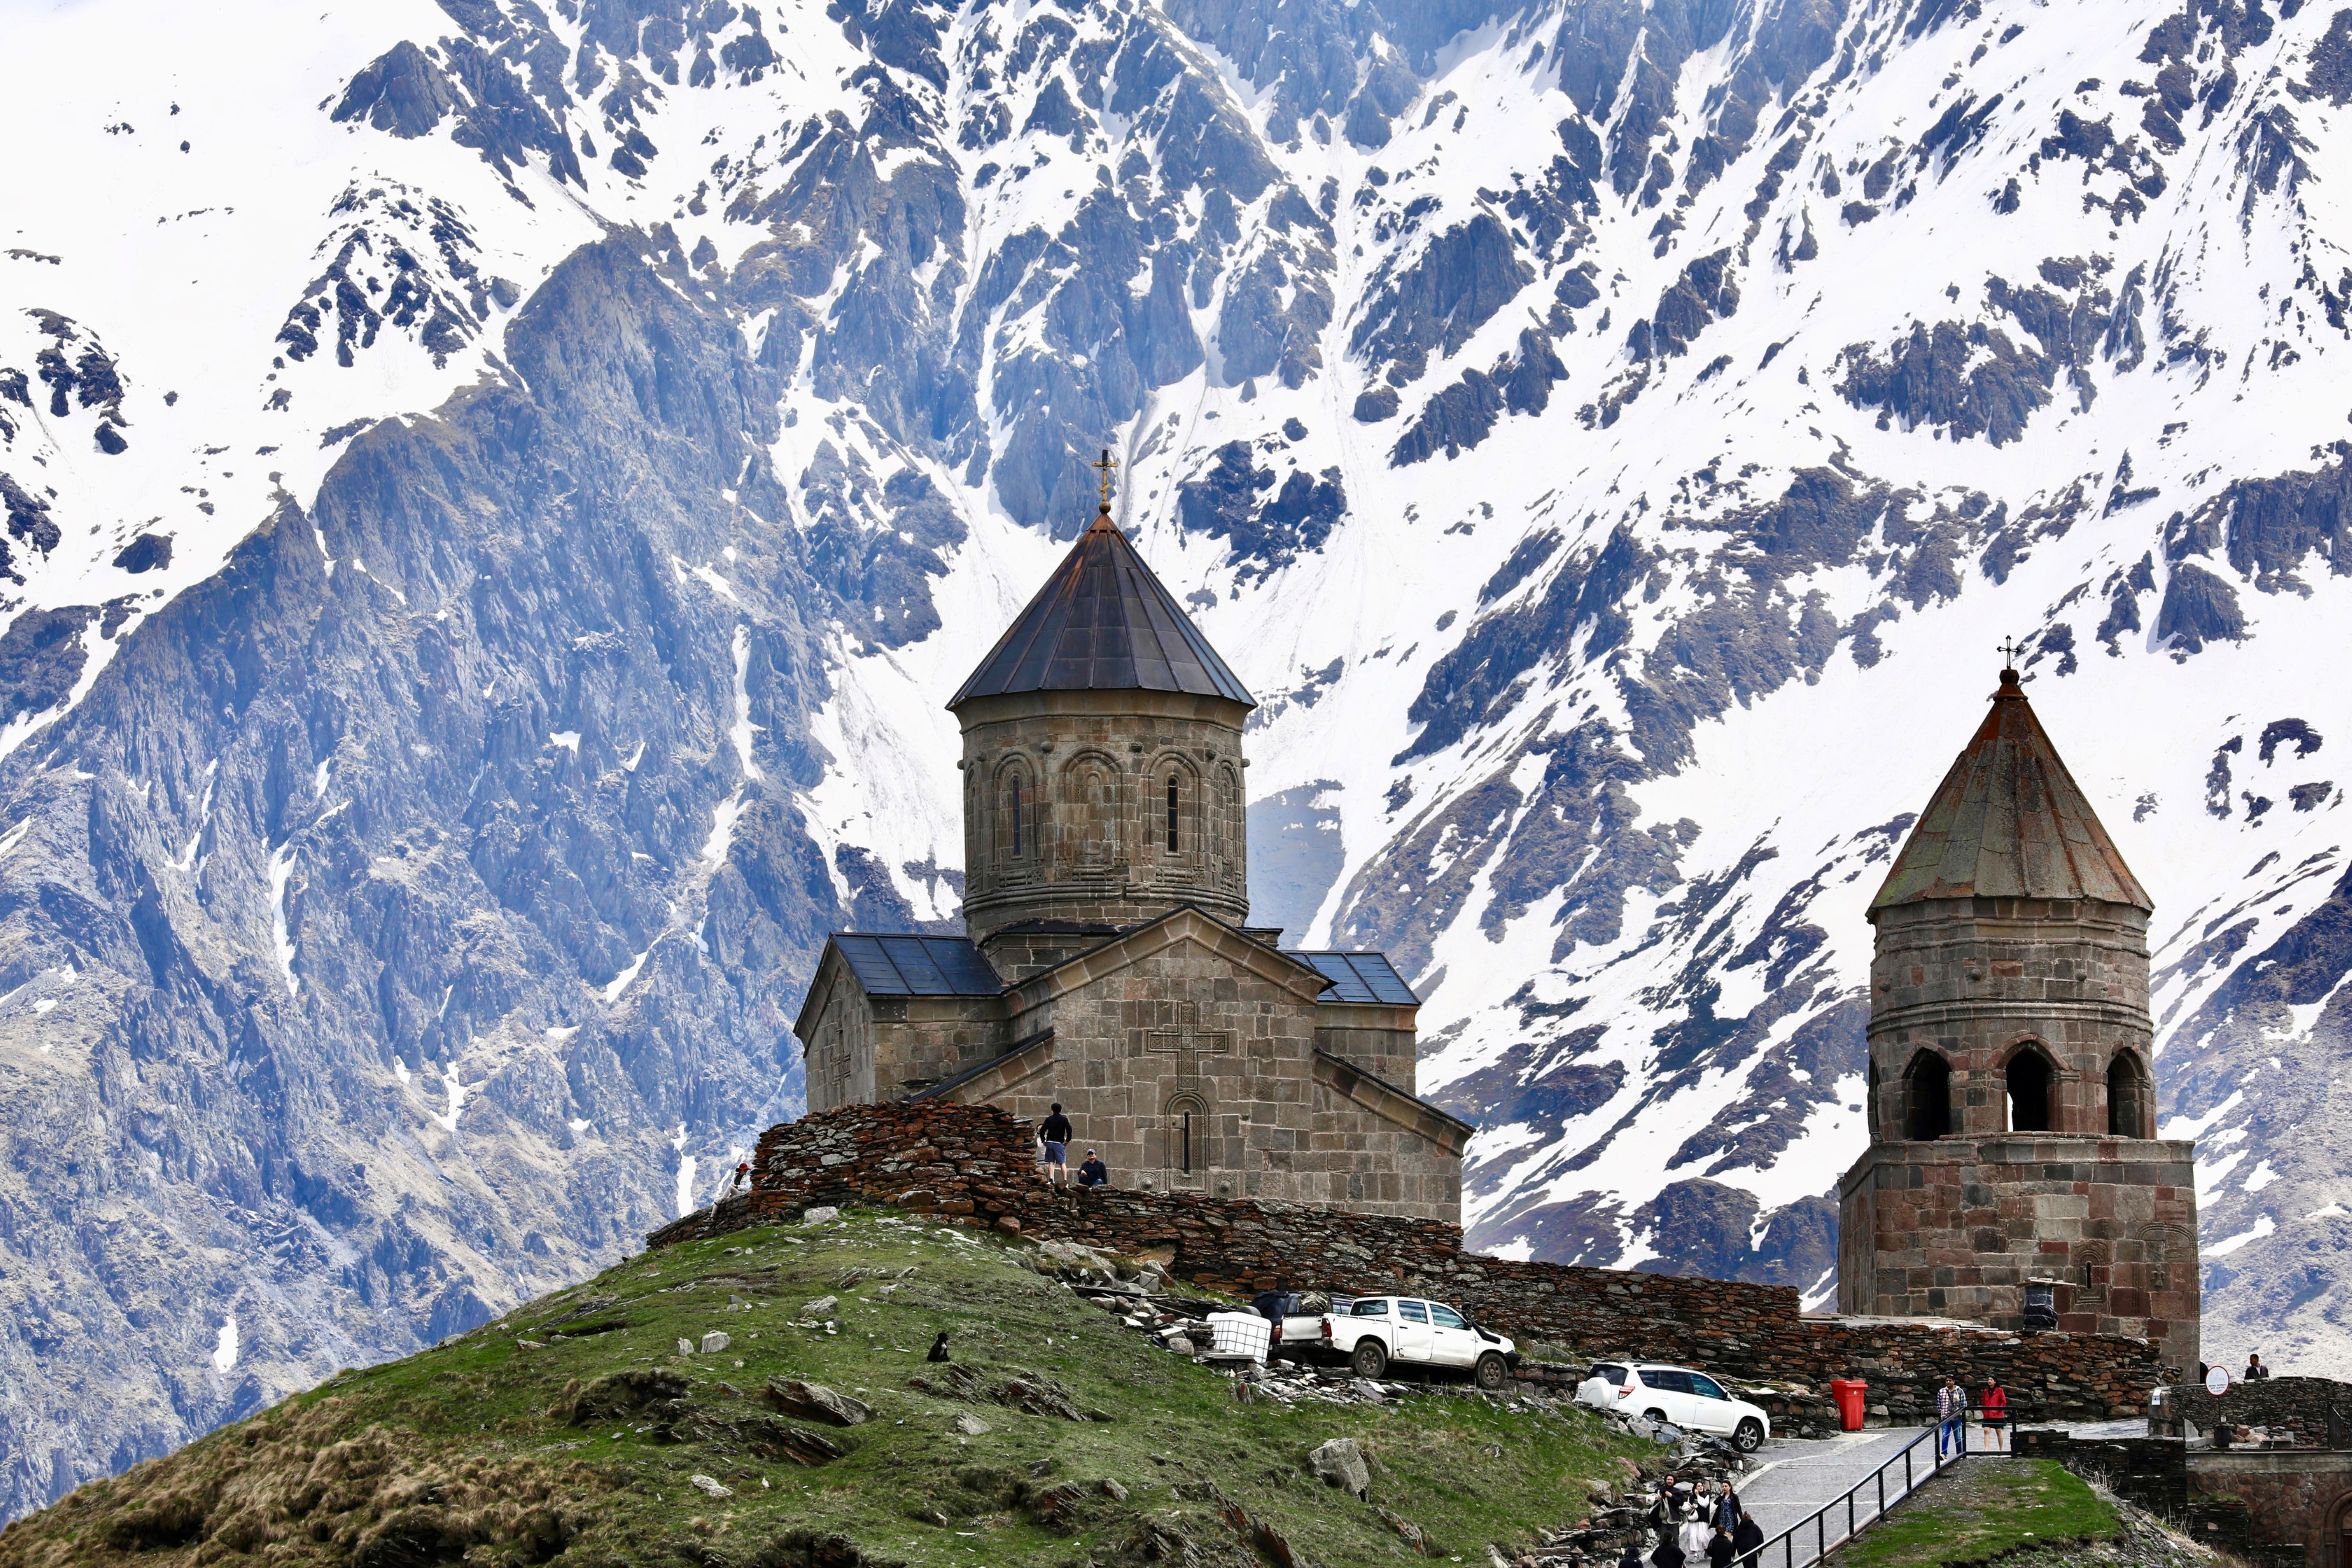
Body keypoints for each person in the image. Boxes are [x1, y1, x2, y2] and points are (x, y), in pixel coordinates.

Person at [1037, 1102, 1074, 1187]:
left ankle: (1051, 1179)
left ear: (1052, 1109)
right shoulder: (1064, 1119)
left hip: (1050, 1142)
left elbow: (1042, 1131)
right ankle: (1065, 1180)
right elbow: (1069, 1130)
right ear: (1060, 1109)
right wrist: (1067, 1140)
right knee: (1062, 1162)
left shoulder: (1049, 1119)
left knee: (1051, 1162)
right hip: (1058, 1143)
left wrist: (1043, 1140)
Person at [1936, 1375, 1966, 1457]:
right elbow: (1939, 1404)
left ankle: (1959, 1453)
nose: (1948, 1382)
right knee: (1945, 1435)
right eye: (1947, 1381)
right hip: (1945, 1418)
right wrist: (1942, 1412)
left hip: (1957, 1418)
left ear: (1954, 1381)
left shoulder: (1959, 1391)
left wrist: (1959, 1413)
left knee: (1958, 1436)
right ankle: (1944, 1453)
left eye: (1950, 1380)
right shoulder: (1941, 1391)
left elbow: (1963, 1404)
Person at [1980, 1376, 2009, 1451]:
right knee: (1986, 1430)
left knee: (1998, 1431)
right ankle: (1986, 1449)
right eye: (1988, 1379)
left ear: (1995, 1381)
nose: (1989, 1381)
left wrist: (1999, 1409)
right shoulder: (1986, 1390)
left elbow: (2003, 1401)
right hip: (1987, 1414)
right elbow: (1984, 1401)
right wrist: (1984, 1410)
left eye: (1991, 1379)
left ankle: (2001, 1449)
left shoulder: (2000, 1390)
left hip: (1997, 1415)